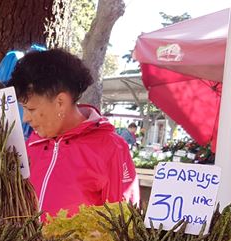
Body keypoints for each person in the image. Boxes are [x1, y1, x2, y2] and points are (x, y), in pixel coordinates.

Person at [8, 48, 139, 218]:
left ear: (60, 102)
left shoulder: (112, 148)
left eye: (31, 109)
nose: (25, 118)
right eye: (23, 109)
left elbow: (124, 223)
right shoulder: (30, 145)